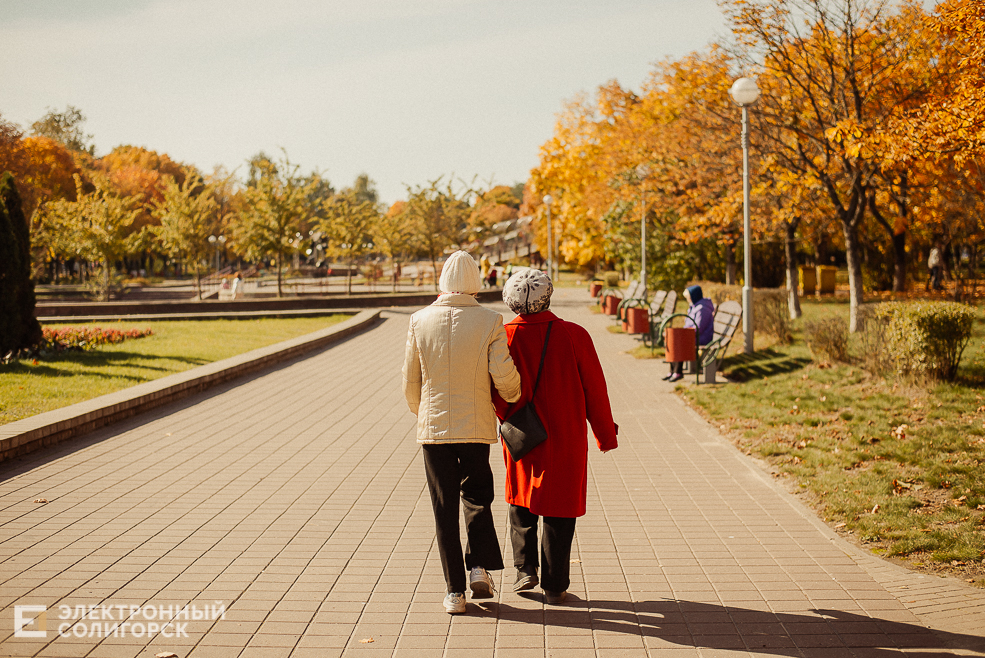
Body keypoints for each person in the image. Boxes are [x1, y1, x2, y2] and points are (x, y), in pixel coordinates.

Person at [402, 250, 522, 615]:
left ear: (442, 280)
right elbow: (503, 375)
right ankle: (479, 568)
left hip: (434, 428)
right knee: (477, 497)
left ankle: (454, 591)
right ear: (475, 281)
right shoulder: (490, 320)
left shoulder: (418, 320)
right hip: (475, 427)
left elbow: (411, 382)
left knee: (444, 508)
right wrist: (514, 394)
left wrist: (421, 412)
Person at [494, 268, 618, 605]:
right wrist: (605, 434)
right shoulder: (574, 334)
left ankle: (524, 569)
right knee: (560, 508)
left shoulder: (502, 337)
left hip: (523, 433)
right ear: (548, 296)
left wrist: (504, 417)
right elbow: (595, 389)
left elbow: (492, 387)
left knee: (520, 498)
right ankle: (555, 583)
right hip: (566, 435)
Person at [664, 285, 715, 383]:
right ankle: (672, 370)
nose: (688, 300)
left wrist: (684, 334)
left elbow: (699, 328)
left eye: (689, 297)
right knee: (673, 339)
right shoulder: (695, 306)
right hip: (692, 335)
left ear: (694, 296)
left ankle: (678, 371)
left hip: (702, 337)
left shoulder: (702, 308)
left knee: (679, 342)